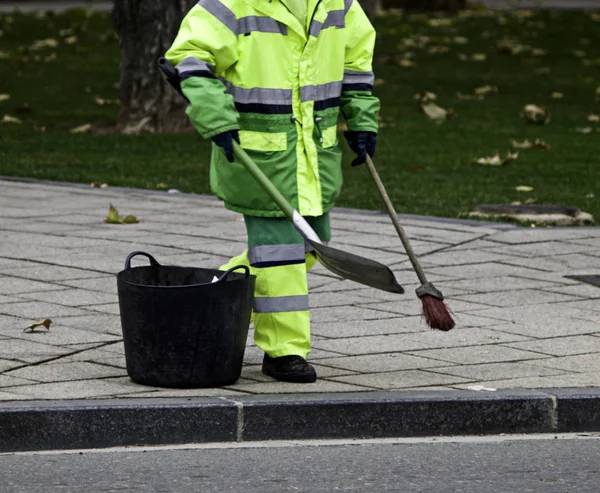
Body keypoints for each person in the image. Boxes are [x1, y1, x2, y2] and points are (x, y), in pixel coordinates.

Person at [165, 0, 379, 383]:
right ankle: (285, 352)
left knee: (312, 243)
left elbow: (356, 62)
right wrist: (215, 115)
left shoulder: (339, 4)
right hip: (260, 154)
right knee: (280, 253)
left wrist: (362, 117)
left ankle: (209, 294)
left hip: (313, 154)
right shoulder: (234, 3)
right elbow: (189, 56)